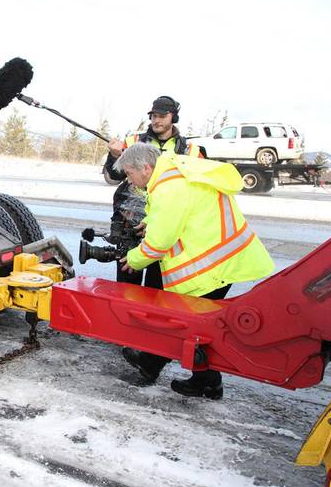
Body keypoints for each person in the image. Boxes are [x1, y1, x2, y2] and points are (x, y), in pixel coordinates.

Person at [116, 143, 274, 399]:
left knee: (191, 325)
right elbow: (180, 214)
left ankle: (159, 366)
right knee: (199, 326)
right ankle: (200, 379)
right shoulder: (174, 173)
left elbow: (160, 243)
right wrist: (151, 222)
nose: (129, 179)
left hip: (215, 264)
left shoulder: (169, 187)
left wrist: (133, 260)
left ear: (145, 168)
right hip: (224, 258)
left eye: (129, 173)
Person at [100, 96, 203, 376]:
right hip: (129, 221)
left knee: (159, 285)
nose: (157, 120)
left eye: (162, 115)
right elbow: (111, 178)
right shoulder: (133, 140)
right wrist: (113, 155)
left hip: (165, 222)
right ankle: (127, 332)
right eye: (153, 115)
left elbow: (197, 184)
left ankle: (151, 336)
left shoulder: (192, 149)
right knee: (128, 279)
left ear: (173, 117)